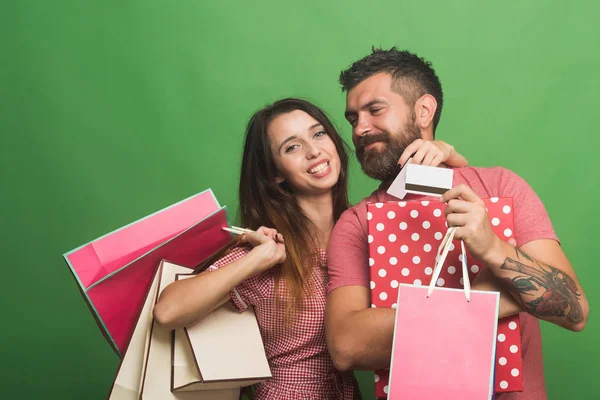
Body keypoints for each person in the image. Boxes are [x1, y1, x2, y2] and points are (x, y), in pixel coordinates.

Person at [153, 97, 469, 399]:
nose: (313, 151)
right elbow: (167, 312)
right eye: (292, 147)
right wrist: (255, 260)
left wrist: (448, 155)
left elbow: (443, 213)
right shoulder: (270, 249)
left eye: (318, 134)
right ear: (275, 173)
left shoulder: (368, 228)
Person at [325, 47, 589, 399]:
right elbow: (347, 346)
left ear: (424, 110)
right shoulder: (357, 223)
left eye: (374, 110)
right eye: (352, 118)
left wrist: (493, 249)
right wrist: (488, 297)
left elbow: (574, 310)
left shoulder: (500, 188)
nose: (359, 129)